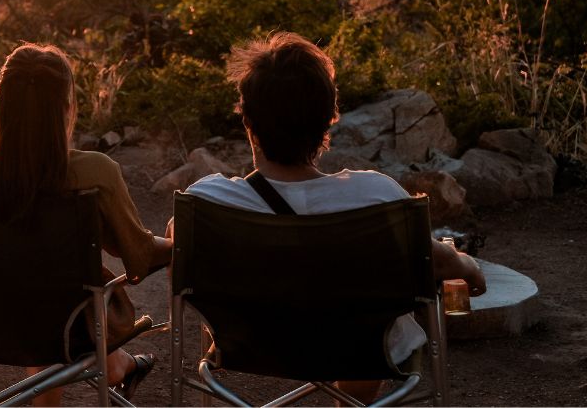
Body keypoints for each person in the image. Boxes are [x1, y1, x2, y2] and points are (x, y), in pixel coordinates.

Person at [184, 32, 486, 402]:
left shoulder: (207, 201)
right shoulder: (377, 196)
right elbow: (435, 262)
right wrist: (469, 267)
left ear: (247, 121)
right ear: (329, 120)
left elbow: (177, 256)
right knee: (366, 323)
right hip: (360, 350)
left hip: (251, 347)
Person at [0, 44, 171, 406]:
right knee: (55, 295)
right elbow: (137, 257)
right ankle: (117, 365)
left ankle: (117, 365)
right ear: (66, 109)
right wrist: (175, 239)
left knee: (34, 284)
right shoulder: (95, 172)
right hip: (66, 322)